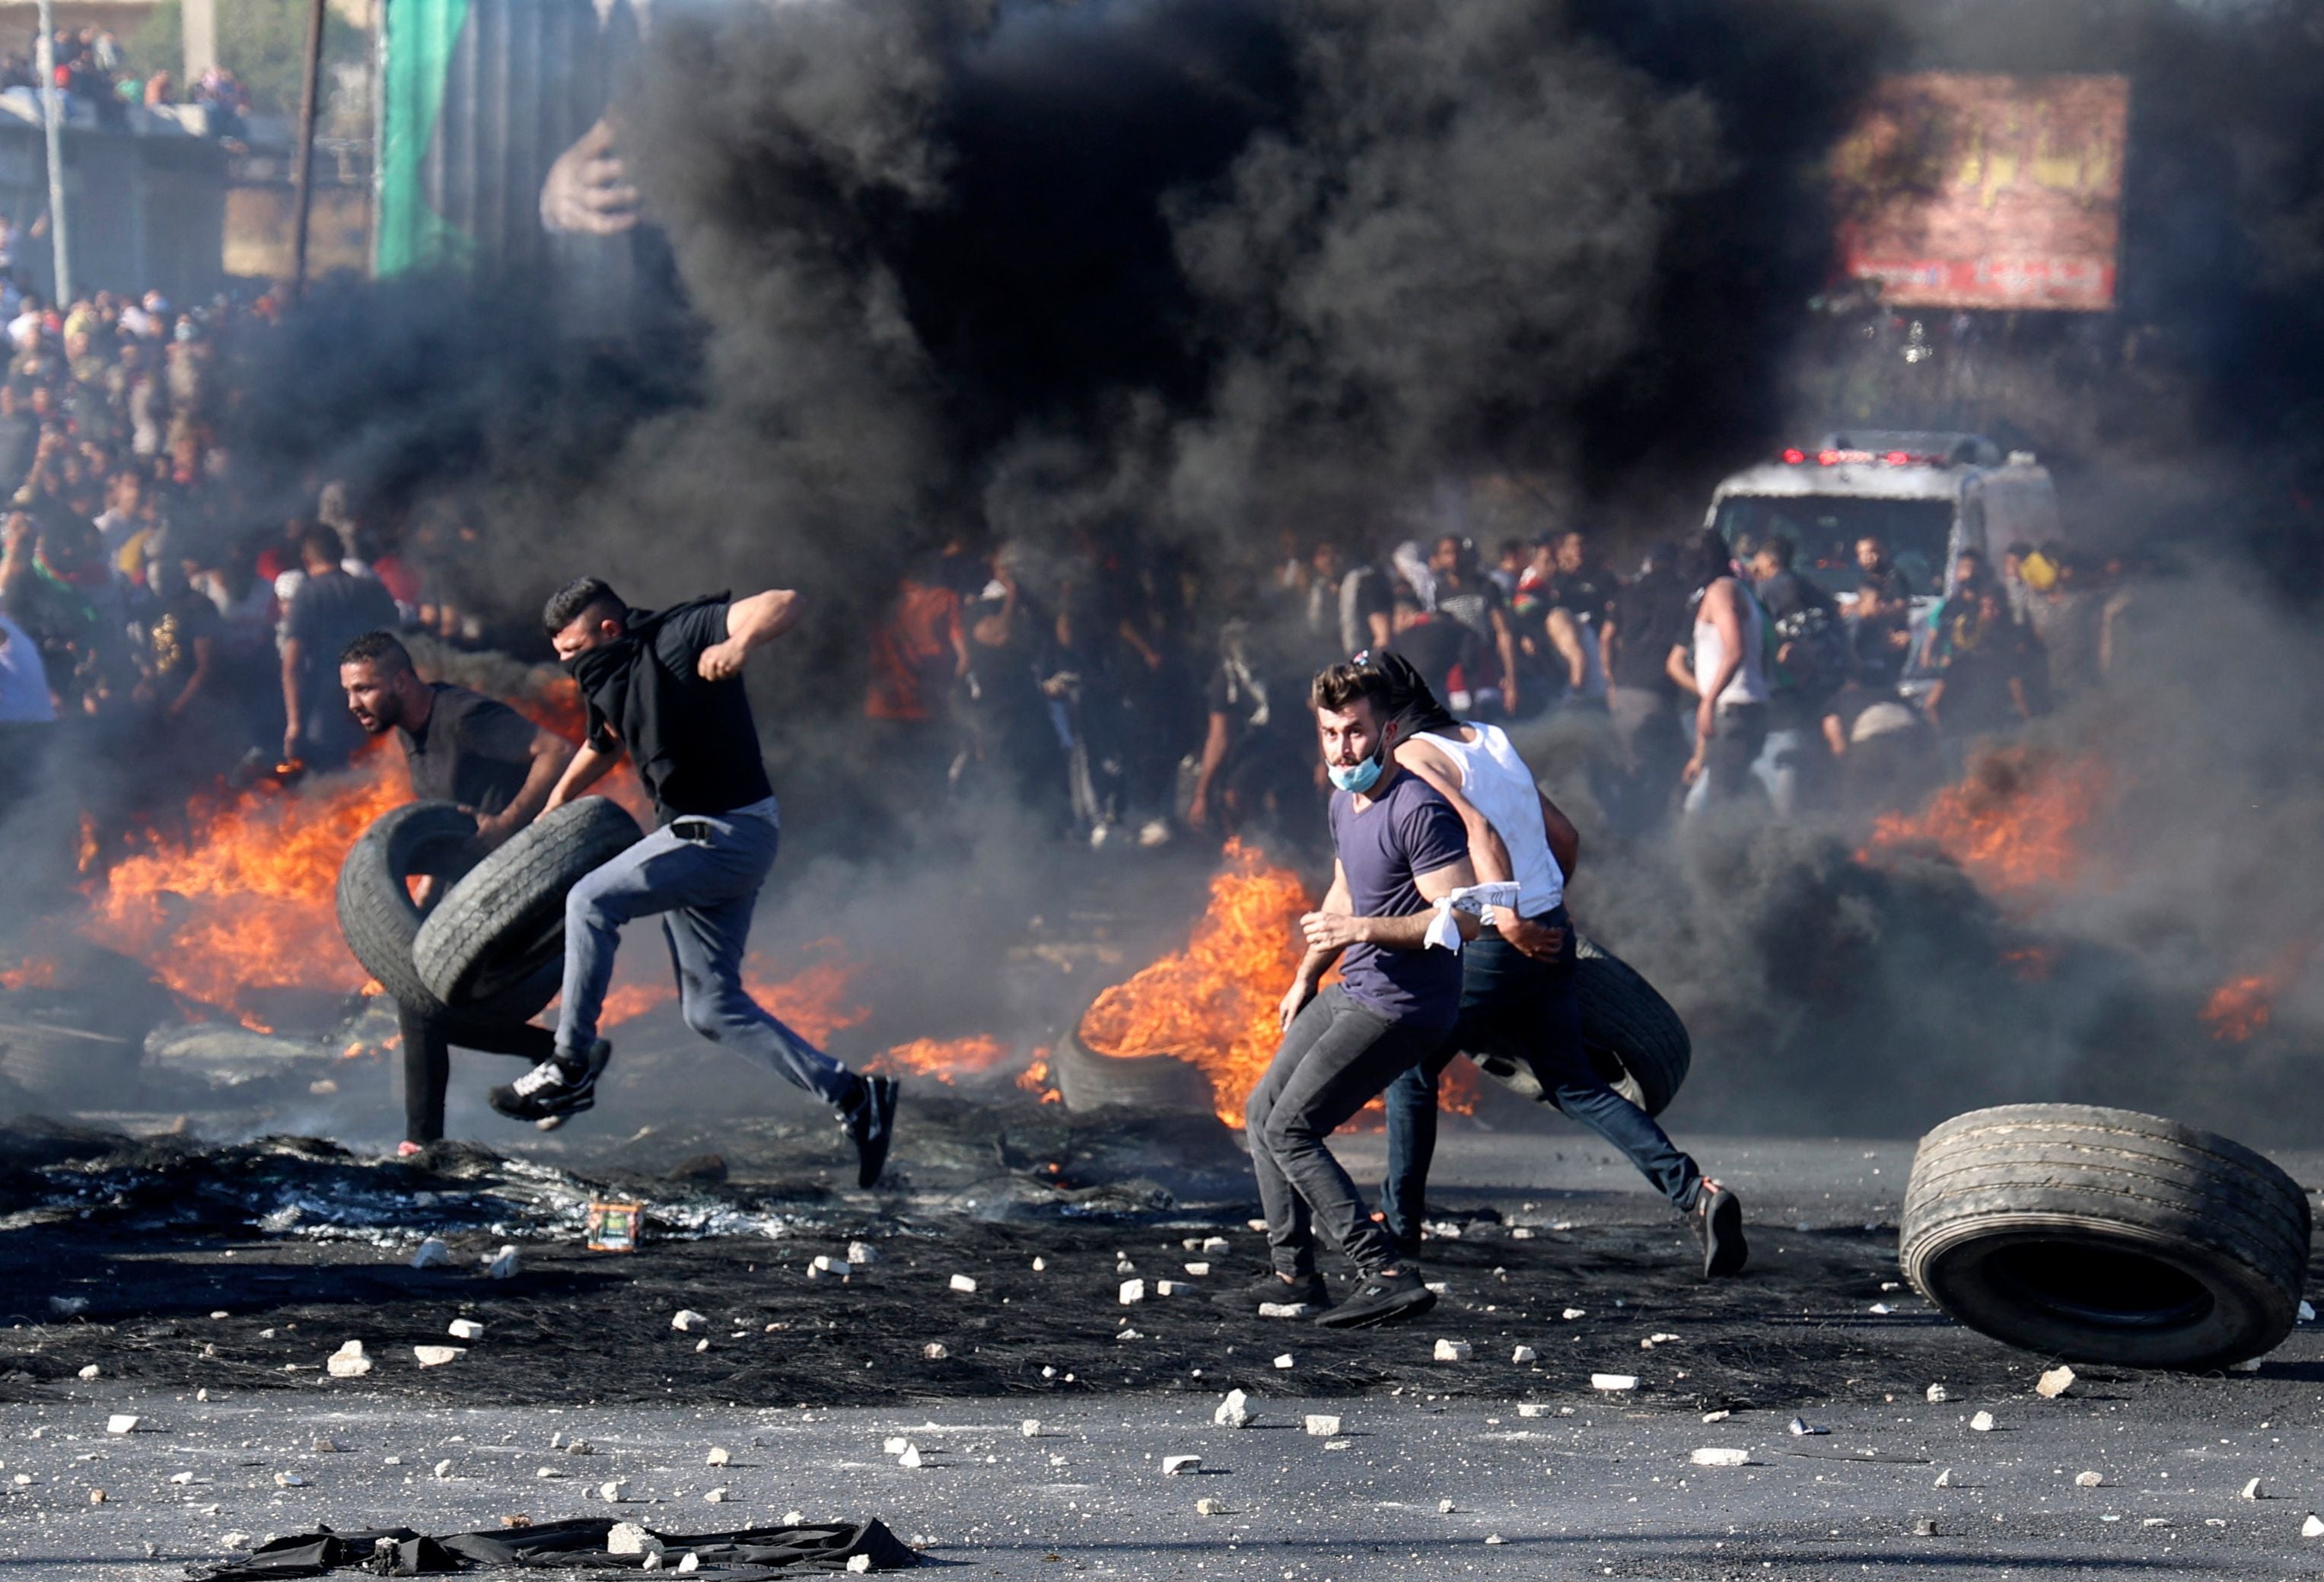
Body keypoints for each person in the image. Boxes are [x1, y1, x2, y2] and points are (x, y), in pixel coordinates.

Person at [495, 578, 899, 1187]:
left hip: (727, 832)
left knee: (591, 899)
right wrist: (555, 800)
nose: (569, 665)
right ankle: (854, 1097)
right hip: (701, 837)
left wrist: (741, 646)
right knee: (711, 1008)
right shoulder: (610, 676)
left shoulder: (677, 636)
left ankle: (570, 1063)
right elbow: (601, 742)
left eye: (574, 650)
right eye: (560, 655)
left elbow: (786, 601)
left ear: (609, 630)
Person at [1366, 653, 1747, 1278]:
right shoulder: (1489, 738)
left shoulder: (1413, 757)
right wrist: (1544, 908)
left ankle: (1400, 1227)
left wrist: (1505, 918)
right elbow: (1564, 836)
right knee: (1574, 1082)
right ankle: (1695, 1194)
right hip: (1550, 930)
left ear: (1387, 718)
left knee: (1410, 1065)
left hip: (1496, 936)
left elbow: (1476, 830)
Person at [1231, 660, 1481, 1329]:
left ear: (1389, 731)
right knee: (1261, 1113)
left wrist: (1362, 930)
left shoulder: (1419, 808)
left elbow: (1463, 920)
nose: (1343, 749)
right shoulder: (1345, 800)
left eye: (1356, 732)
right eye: (1330, 734)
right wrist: (1305, 975)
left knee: (1292, 1127)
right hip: (1353, 986)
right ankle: (1294, 1277)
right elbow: (1343, 894)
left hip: (1406, 1007)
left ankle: (1386, 1270)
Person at [339, 630, 576, 1154]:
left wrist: (506, 824)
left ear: (401, 680)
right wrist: (407, 923)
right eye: (350, 692)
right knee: (423, 1003)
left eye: (364, 689)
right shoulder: (411, 731)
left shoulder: (463, 716)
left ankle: (423, 1142)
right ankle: (547, 1051)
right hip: (478, 890)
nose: (354, 704)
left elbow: (554, 750)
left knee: (423, 1005)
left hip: (527, 887)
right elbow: (445, 829)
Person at [279, 525, 396, 769]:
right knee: (378, 770)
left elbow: (293, 663)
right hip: (378, 696)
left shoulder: (307, 596)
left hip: (328, 704)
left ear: (306, 559)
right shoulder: (371, 590)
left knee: (331, 778)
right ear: (341, 551)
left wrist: (295, 724)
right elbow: (402, 644)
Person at [1669, 530, 1769, 814]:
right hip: (1734, 710)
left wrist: (1709, 699)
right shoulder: (1738, 591)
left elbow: (1735, 649)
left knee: (1718, 804)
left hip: (1735, 710)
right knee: (1710, 802)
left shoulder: (1721, 591)